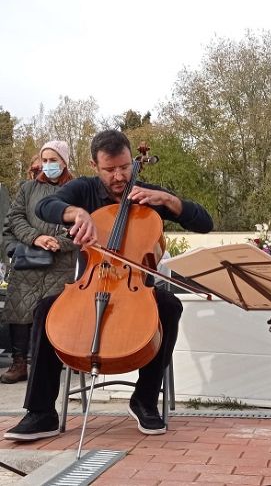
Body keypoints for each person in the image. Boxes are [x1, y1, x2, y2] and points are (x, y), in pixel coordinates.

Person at [4, 129, 213, 441]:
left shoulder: (147, 194)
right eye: (110, 169)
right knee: (46, 308)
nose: (119, 176)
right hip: (90, 286)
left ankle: (144, 400)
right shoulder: (84, 189)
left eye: (125, 167)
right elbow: (44, 207)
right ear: (94, 165)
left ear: (132, 161)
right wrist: (75, 212)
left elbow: (205, 223)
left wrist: (169, 200)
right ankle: (41, 412)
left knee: (170, 306)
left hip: (136, 292)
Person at [1, 141, 77, 384]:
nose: (47, 165)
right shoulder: (28, 188)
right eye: (44, 160)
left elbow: (82, 225)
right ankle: (19, 363)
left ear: (64, 162)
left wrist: (59, 242)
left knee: (53, 313)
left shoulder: (76, 189)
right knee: (19, 310)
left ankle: (49, 363)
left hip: (60, 263)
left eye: (53, 160)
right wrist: (36, 238)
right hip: (28, 259)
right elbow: (15, 218)